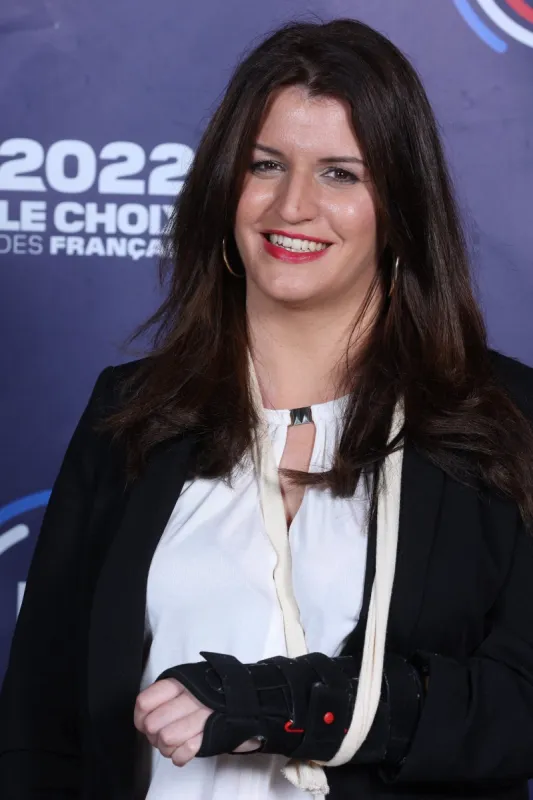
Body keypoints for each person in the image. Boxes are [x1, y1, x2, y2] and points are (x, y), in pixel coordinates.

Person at [1, 16, 533, 800]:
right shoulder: (134, 412)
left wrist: (285, 707)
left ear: (399, 207)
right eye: (265, 164)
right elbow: (40, 729)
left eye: (340, 174)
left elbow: (515, 705)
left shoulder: (501, 416)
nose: (292, 205)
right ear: (226, 186)